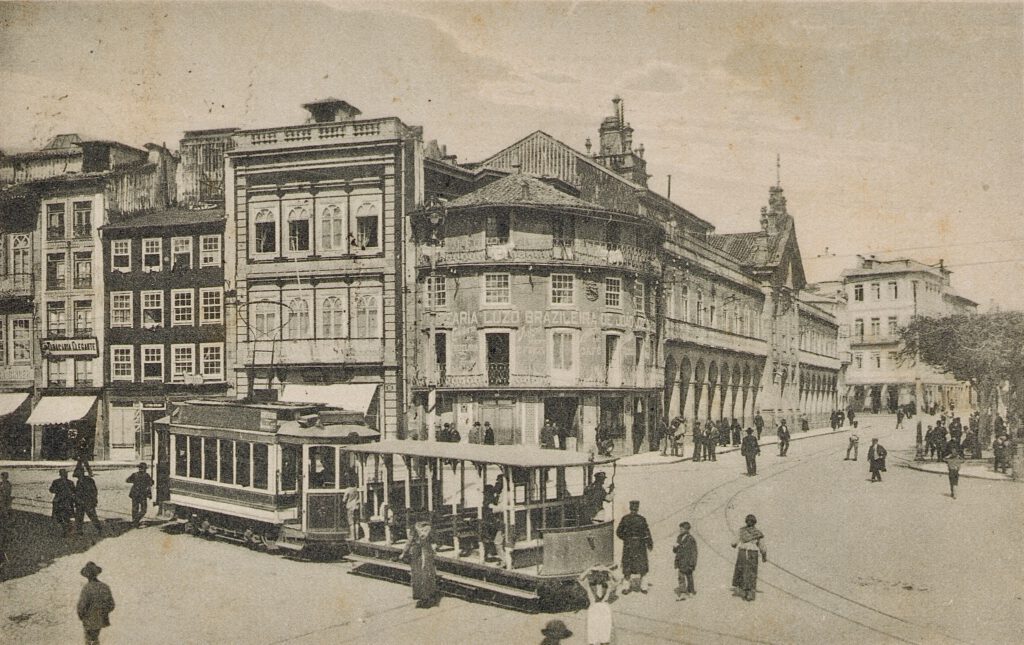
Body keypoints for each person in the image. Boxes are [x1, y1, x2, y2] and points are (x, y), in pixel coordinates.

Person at [616, 500, 653, 594]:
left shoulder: (625, 518)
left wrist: (626, 539)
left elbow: (618, 532)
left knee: (628, 566)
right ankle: (643, 587)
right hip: (640, 545)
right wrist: (649, 543)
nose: (633, 510)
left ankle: (626, 588)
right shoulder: (641, 519)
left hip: (629, 545)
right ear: (637, 508)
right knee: (641, 566)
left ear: (630, 508)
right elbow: (647, 533)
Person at [400, 521, 439, 608]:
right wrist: (435, 548)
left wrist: (403, 553)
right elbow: (437, 541)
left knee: (417, 574)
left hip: (416, 552)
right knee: (428, 572)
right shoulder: (430, 528)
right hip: (427, 551)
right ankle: (428, 596)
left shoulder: (414, 528)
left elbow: (409, 542)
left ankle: (420, 596)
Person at [77, 561, 115, 645]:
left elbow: (82, 606)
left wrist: (81, 615)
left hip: (88, 619)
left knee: (89, 640)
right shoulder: (104, 587)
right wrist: (103, 612)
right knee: (95, 638)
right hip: (101, 619)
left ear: (87, 575)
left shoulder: (87, 588)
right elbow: (111, 605)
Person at [731, 514, 767, 601]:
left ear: (746, 521)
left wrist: (735, 544)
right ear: (755, 523)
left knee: (742, 570)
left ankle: (744, 591)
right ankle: (750, 593)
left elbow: (733, 543)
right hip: (753, 553)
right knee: (751, 572)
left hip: (743, 552)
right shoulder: (758, 533)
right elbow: (762, 547)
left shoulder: (741, 531)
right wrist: (764, 556)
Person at [578, 566, 617, 645]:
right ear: (593, 575)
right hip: (593, 608)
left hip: (605, 608)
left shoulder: (608, 585)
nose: (599, 577)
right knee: (593, 632)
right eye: (597, 574)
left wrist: (608, 570)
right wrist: (589, 569)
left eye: (602, 574)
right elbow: (580, 579)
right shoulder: (589, 585)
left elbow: (618, 580)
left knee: (605, 632)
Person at [73, 467, 103, 536]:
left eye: (77, 473)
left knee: (92, 517)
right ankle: (79, 531)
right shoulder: (79, 481)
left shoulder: (89, 480)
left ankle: (99, 529)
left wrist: (93, 500)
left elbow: (94, 491)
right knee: (79, 518)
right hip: (80, 502)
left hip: (88, 502)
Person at [673, 521, 698, 600]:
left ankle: (691, 591)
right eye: (680, 529)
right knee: (681, 577)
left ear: (687, 530)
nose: (680, 530)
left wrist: (692, 563)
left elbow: (694, 552)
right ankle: (683, 592)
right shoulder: (679, 537)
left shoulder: (691, 539)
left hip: (688, 561)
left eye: (682, 529)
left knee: (689, 576)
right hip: (680, 560)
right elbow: (675, 550)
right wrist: (675, 547)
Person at [49, 468, 77, 537]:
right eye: (64, 474)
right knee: (60, 517)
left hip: (62, 502)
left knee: (63, 517)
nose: (65, 476)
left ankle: (66, 530)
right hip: (63, 502)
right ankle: (67, 528)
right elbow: (51, 490)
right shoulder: (68, 482)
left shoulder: (59, 482)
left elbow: (51, 490)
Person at [125, 462, 154, 528]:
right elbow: (151, 483)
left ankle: (134, 521)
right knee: (143, 509)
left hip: (134, 493)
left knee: (135, 508)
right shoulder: (146, 475)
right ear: (145, 469)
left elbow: (127, 480)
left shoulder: (135, 474)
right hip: (142, 494)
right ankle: (136, 521)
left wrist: (134, 482)